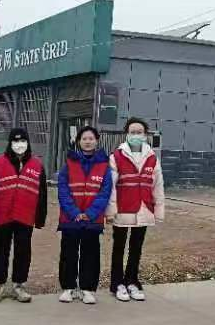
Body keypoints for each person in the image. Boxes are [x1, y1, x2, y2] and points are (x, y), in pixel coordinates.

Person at [0, 128, 48, 303]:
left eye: (23, 141)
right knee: (0, 250)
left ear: (28, 143)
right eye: (16, 141)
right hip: (3, 215)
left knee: (23, 251)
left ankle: (19, 285)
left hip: (25, 216)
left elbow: (42, 194)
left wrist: (40, 218)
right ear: (10, 143)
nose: (19, 145)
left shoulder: (37, 165)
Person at [105, 117, 165, 302]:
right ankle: (117, 283)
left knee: (136, 247)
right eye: (133, 132)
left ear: (145, 135)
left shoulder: (152, 158)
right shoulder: (116, 156)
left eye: (140, 132)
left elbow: (158, 185)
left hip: (144, 208)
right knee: (119, 247)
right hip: (123, 208)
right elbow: (111, 187)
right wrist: (110, 210)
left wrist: (159, 210)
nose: (136, 135)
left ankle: (132, 281)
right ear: (127, 134)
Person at [57, 126, 112, 305]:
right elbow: (63, 191)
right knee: (69, 253)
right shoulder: (69, 164)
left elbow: (105, 192)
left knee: (91, 254)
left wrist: (90, 213)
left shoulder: (104, 166)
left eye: (91, 138)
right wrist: (74, 213)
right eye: (84, 138)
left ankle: (87, 289)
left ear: (96, 141)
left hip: (92, 220)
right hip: (70, 219)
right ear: (79, 142)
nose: (88, 141)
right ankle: (68, 287)